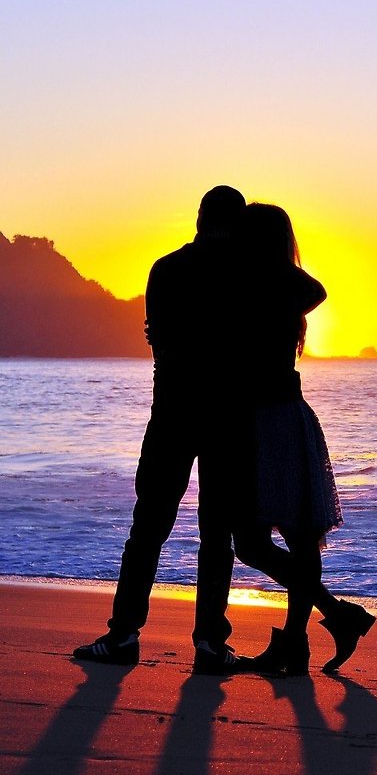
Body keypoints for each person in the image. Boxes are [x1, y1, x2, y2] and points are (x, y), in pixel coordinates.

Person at [73, 185, 251, 674]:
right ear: (237, 224)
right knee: (217, 536)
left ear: (197, 218)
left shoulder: (166, 269)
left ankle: (124, 635)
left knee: (148, 528)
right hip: (227, 419)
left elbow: (160, 342)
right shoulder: (247, 273)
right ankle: (211, 645)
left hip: (171, 412)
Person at [231, 202, 374, 675]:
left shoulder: (263, 285)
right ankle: (335, 615)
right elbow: (312, 287)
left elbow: (315, 287)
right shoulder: (269, 285)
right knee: (260, 542)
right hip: (268, 421)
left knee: (283, 538)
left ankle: (300, 639)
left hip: (273, 422)